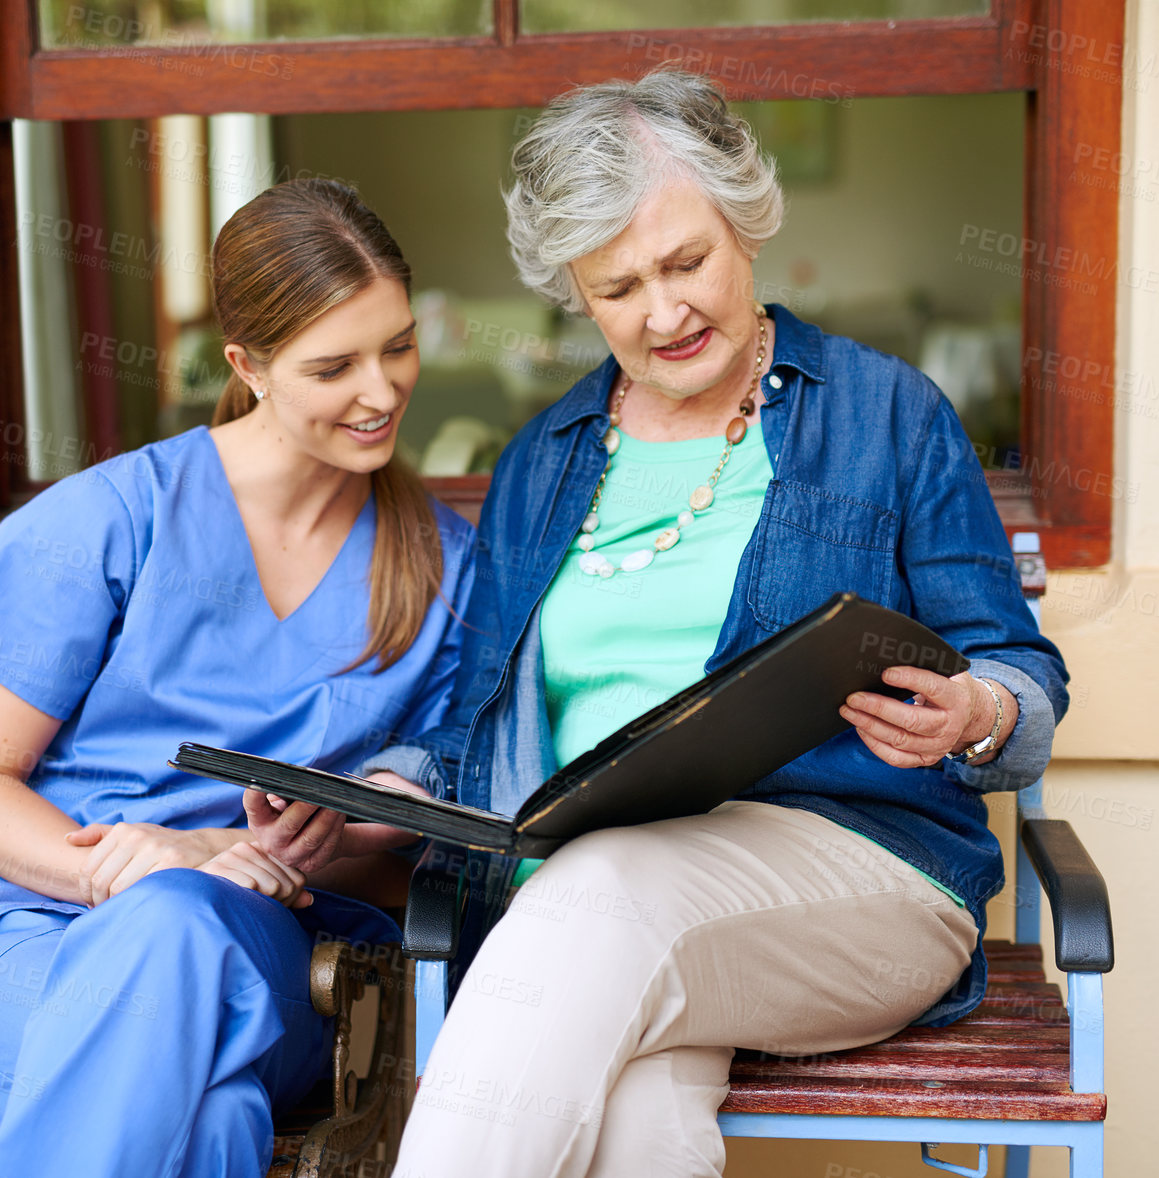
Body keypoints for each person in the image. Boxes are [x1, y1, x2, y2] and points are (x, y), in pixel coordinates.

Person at [351, 70, 1070, 1177]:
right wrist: (392, 795)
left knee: (598, 900)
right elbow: (474, 726)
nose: (662, 312)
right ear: (575, 295)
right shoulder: (544, 460)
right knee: (637, 1118)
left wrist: (977, 706)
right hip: (605, 908)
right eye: (616, 287)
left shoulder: (888, 412)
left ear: (746, 223)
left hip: (862, 875)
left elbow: (1012, 662)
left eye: (686, 262)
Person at [0, 178, 475, 1178]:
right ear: (246, 366)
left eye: (397, 345)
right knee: (204, 1115)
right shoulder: (107, 520)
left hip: (274, 958)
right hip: (22, 945)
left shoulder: (443, 566)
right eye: (333, 365)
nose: (381, 392)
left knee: (182, 943)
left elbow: (405, 848)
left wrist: (275, 843)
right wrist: (138, 868)